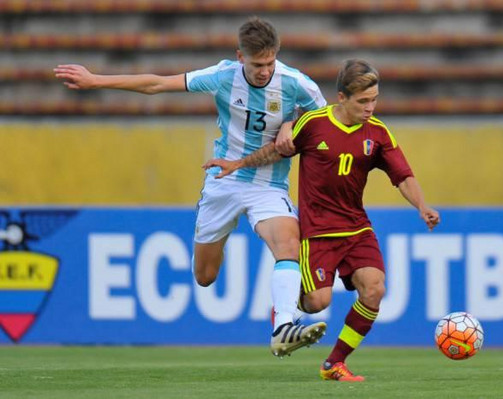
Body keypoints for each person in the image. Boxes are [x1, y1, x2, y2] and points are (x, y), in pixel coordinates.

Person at [54, 16, 328, 357]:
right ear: (240, 57)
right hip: (223, 183)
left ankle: (283, 326)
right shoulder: (222, 76)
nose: (264, 71)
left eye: (270, 63)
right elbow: (157, 84)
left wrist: (293, 120)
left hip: (268, 184)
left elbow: (325, 124)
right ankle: (236, 251)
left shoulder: (297, 84)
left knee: (288, 244)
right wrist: (96, 81)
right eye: (258, 64)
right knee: (205, 276)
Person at [203, 59, 440, 381]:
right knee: (316, 302)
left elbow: (403, 176)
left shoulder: (379, 133)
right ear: (341, 97)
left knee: (374, 289)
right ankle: (285, 311)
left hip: (357, 228)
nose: (370, 108)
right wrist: (239, 163)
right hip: (318, 233)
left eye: (374, 100)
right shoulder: (314, 123)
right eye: (363, 101)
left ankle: (334, 364)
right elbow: (276, 151)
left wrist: (422, 206)